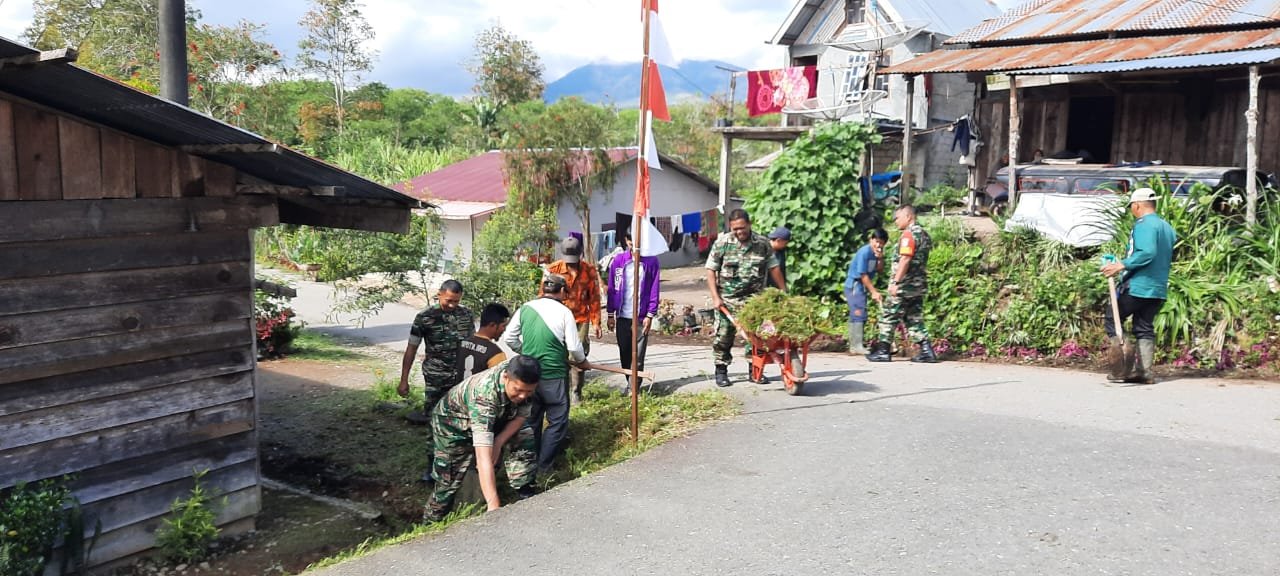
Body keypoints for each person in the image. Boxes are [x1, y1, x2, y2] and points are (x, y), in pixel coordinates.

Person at [424, 355, 542, 522]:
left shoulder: (525, 376)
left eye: (528, 391)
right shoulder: (484, 395)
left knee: (524, 434)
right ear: (506, 377)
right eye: (518, 390)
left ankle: (525, 492)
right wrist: (494, 507)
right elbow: (483, 457)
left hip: (496, 416)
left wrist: (499, 442)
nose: (523, 396)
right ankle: (431, 521)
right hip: (453, 425)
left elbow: (521, 416)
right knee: (448, 478)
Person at [501, 274, 587, 477]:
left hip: (529, 378)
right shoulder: (565, 312)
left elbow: (509, 337)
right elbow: (574, 347)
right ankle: (544, 467)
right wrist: (581, 361)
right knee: (557, 421)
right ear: (563, 291)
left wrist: (526, 352)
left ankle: (528, 466)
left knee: (532, 421)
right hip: (555, 374)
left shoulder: (525, 308)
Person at [398, 280, 474, 483]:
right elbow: (411, 348)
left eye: (456, 301)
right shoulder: (425, 318)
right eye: (449, 300)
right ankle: (431, 468)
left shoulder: (466, 315)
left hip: (460, 379)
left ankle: (456, 466)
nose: (452, 305)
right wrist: (404, 380)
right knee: (434, 421)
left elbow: (473, 347)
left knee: (460, 422)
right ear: (439, 294)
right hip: (435, 377)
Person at [1100, 187, 1176, 385]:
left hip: (1138, 285)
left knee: (1112, 317)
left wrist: (1121, 265)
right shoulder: (1166, 227)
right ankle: (1145, 371)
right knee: (1144, 326)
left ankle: (1122, 366)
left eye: (1132, 207)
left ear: (1137, 206)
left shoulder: (1143, 225)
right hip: (1158, 287)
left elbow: (1147, 252)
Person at [706, 209, 785, 387]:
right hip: (728, 299)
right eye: (735, 229)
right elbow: (711, 270)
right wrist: (715, 297)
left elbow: (774, 268)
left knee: (757, 337)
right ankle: (721, 371)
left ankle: (755, 371)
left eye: (742, 228)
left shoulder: (762, 243)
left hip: (754, 301)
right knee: (723, 337)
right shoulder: (722, 243)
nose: (739, 232)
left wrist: (783, 291)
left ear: (749, 225)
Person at [867, 206, 938, 363]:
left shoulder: (908, 235)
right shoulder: (924, 235)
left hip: (904, 285)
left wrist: (896, 282)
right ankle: (926, 350)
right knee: (914, 318)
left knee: (888, 315)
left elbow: (905, 259)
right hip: (918, 285)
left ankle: (883, 350)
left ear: (908, 217)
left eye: (897, 218)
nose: (895, 221)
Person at [546, 236, 603, 403]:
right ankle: (561, 390)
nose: (571, 264)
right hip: (558, 319)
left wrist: (596, 321)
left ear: (581, 254)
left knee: (579, 354)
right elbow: (543, 296)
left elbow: (594, 298)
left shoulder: (589, 271)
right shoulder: (552, 270)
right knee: (559, 354)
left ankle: (576, 391)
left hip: (580, 319)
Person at [606, 231, 660, 391]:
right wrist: (610, 314)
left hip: (641, 317)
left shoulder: (651, 262)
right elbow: (612, 288)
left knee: (638, 356)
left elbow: (654, 289)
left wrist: (650, 314)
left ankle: (633, 389)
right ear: (626, 240)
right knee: (624, 353)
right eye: (631, 241)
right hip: (622, 316)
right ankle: (630, 381)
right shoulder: (619, 261)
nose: (634, 245)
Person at [844, 228, 888, 355]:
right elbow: (863, 275)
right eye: (876, 241)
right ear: (871, 240)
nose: (878, 245)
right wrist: (874, 292)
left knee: (858, 313)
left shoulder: (877, 253)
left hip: (862, 286)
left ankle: (854, 345)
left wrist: (880, 258)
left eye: (881, 243)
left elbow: (879, 270)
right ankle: (856, 345)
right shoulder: (864, 252)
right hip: (855, 285)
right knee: (858, 313)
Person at [456, 303, 510, 383]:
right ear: (492, 325)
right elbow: (499, 383)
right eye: (503, 326)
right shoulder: (495, 354)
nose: (504, 330)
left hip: (458, 393)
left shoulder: (462, 343)